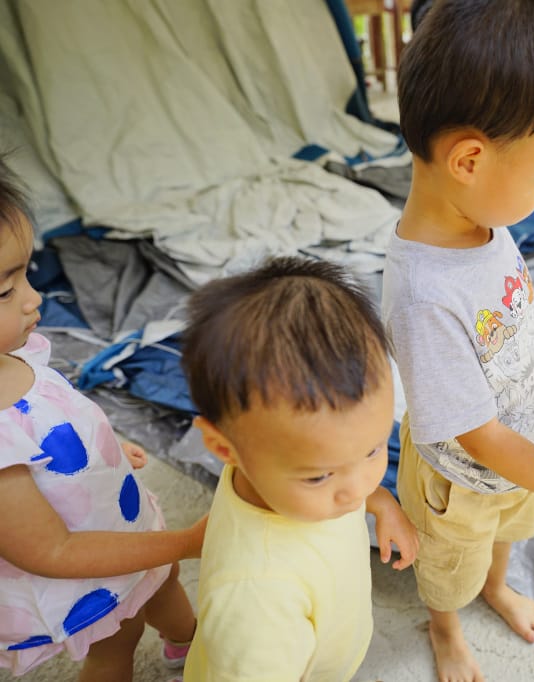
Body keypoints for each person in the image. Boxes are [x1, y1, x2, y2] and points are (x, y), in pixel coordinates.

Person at [381, 1, 534, 679]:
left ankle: (499, 585)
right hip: (462, 479)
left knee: (514, 530)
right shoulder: (423, 295)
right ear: (470, 161)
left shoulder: (478, 218)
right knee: (450, 566)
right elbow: (477, 435)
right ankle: (446, 628)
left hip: (525, 445)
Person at [0, 156, 204, 681]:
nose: (34, 298)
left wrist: (105, 443)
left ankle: (188, 642)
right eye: (5, 290)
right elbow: (51, 549)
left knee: (162, 576)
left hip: (120, 523)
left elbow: (56, 413)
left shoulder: (15, 355)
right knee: (120, 636)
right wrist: (186, 539)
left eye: (27, 275)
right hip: (85, 571)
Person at [179, 256, 419, 681]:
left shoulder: (267, 468)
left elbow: (353, 483)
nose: (356, 488)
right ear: (222, 447)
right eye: (319, 476)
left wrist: (382, 505)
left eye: (374, 449)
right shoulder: (255, 599)